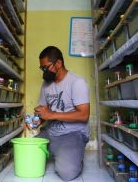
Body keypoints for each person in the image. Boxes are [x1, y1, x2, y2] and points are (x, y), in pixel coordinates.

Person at [32, 46, 90, 181]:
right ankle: (58, 152)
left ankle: (74, 157)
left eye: (46, 67)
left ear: (58, 63)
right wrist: (37, 120)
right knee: (29, 154)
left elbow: (84, 115)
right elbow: (43, 111)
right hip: (50, 132)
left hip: (73, 134)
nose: (44, 71)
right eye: (42, 68)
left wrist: (51, 115)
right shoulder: (46, 84)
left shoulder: (77, 82)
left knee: (67, 173)